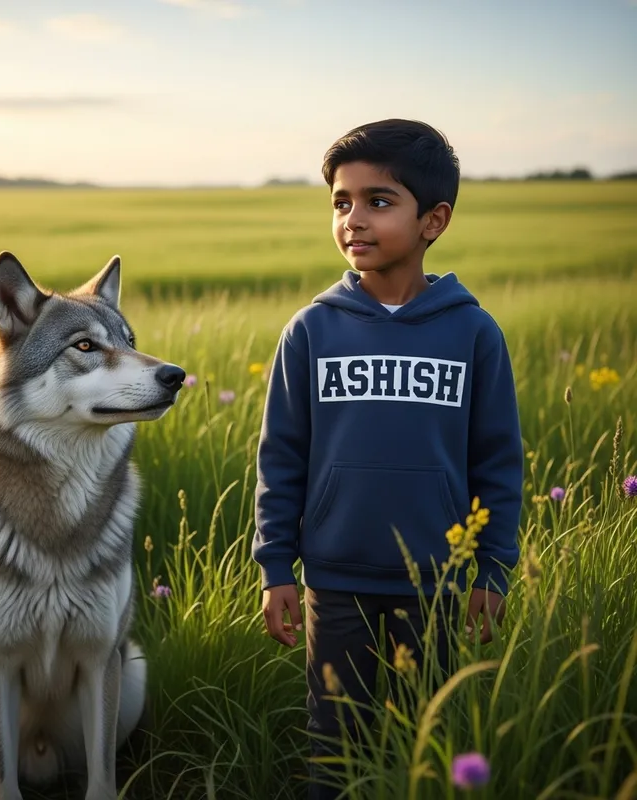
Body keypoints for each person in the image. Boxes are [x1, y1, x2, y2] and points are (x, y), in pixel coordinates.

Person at [251, 119, 523, 799]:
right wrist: (274, 564)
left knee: (422, 749)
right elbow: (281, 456)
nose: (353, 219)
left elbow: (498, 462)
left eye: (378, 201)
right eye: (341, 202)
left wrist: (492, 566)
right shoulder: (312, 330)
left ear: (434, 220)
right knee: (335, 752)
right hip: (334, 579)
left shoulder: (473, 332)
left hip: (436, 584)